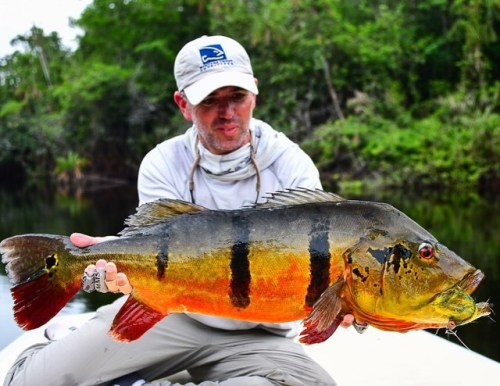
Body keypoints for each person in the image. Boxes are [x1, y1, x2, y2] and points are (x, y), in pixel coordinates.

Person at [5, 35, 353, 386]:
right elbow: (153, 252)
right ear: (183, 104)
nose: (227, 112)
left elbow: (323, 268)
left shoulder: (293, 166)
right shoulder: (161, 163)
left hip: (258, 334)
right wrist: (112, 258)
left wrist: (349, 301)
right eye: (209, 101)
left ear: (255, 94)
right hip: (171, 316)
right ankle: (58, 351)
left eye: (237, 96)